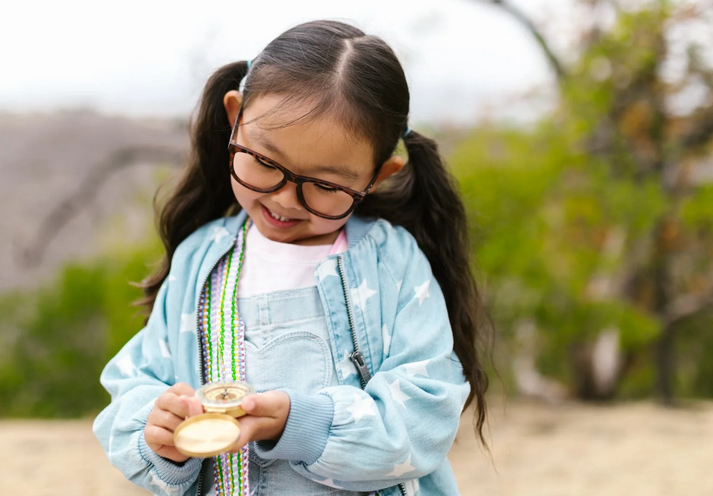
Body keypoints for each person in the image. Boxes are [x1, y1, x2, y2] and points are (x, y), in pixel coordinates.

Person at [93, 19, 490, 496]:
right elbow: (133, 391)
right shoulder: (201, 260)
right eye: (264, 162)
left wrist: (297, 423)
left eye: (324, 185)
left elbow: (424, 418)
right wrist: (159, 434)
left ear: (377, 176)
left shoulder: (392, 264)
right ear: (236, 118)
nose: (284, 200)